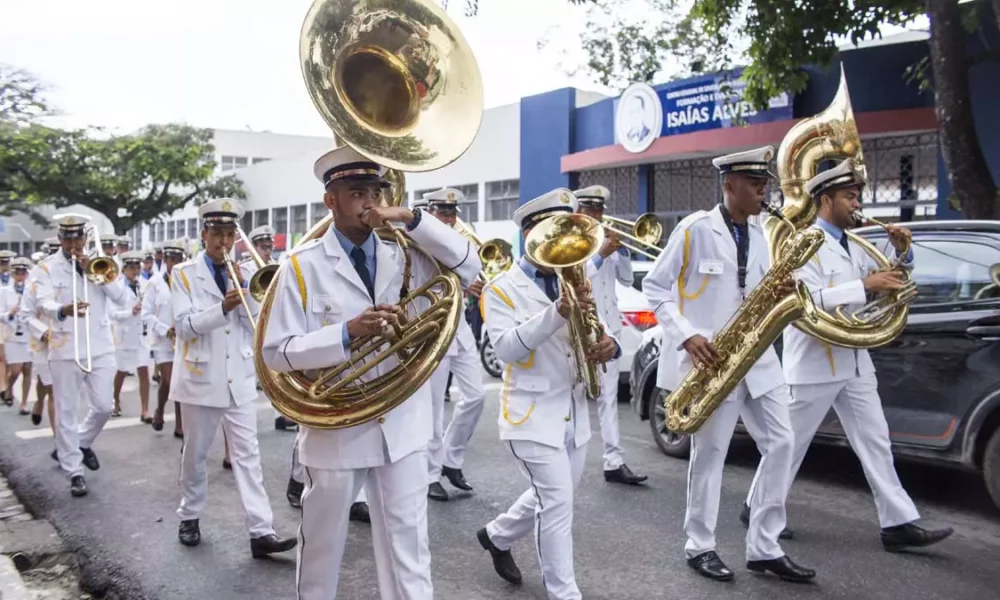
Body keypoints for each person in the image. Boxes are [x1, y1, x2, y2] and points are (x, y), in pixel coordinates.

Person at [261, 145, 481, 600]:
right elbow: (276, 353)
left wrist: (413, 218)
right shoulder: (300, 268)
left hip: (402, 426)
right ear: (331, 201)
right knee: (322, 546)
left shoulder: (407, 254)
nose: (369, 203)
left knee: (410, 549)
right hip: (336, 431)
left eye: (376, 193)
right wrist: (346, 333)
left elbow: (468, 266)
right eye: (357, 193)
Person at [741, 158, 954, 552]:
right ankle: (756, 505)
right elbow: (804, 300)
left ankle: (898, 523)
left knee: (876, 442)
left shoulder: (854, 242)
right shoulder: (803, 244)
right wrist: (863, 285)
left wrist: (903, 255)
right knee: (789, 444)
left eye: (858, 197)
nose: (857, 204)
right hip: (814, 362)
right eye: (850, 197)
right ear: (826, 201)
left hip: (855, 360)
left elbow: (891, 278)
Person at [642, 147, 815, 583]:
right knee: (711, 455)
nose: (763, 190)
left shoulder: (762, 233)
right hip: (711, 362)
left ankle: (764, 547)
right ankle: (699, 545)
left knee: (782, 443)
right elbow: (655, 287)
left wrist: (780, 290)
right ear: (729, 185)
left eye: (765, 184)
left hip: (755, 361)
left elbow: (753, 292)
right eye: (755, 184)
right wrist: (686, 333)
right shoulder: (694, 229)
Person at [477, 188, 620, 599]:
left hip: (573, 413)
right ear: (531, 236)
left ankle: (496, 535)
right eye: (555, 235)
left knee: (555, 493)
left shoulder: (579, 273)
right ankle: (565, 593)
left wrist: (610, 344)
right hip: (530, 414)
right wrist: (556, 312)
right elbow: (506, 349)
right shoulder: (500, 288)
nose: (565, 246)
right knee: (556, 504)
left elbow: (599, 324)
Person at [169, 199, 296, 557]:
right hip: (200, 377)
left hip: (237, 378)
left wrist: (246, 292)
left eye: (229, 235)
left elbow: (256, 320)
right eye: (217, 234)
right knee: (195, 454)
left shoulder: (242, 271)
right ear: (204, 234)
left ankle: (261, 530)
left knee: (248, 456)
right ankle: (190, 515)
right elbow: (184, 326)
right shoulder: (182, 274)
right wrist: (222, 306)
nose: (224, 242)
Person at [35, 213, 127, 497]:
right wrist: (63, 310)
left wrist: (98, 274)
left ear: (85, 238)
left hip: (100, 347)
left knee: (103, 406)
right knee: (66, 411)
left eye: (78, 237)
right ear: (61, 239)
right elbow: (43, 301)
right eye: (69, 237)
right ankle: (74, 470)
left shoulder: (101, 263)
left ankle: (82, 442)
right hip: (65, 348)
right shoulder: (47, 268)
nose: (74, 242)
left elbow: (121, 297)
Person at [575, 185, 648, 486]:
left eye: (600, 210)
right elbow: (579, 278)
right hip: (581, 329)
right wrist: (601, 255)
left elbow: (627, 280)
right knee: (575, 394)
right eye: (591, 209)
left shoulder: (607, 240)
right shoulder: (573, 242)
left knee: (608, 399)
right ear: (579, 212)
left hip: (610, 328)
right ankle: (568, 455)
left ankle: (614, 461)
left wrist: (624, 252)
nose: (597, 215)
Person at [421, 187, 487, 502]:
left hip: (459, 326)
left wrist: (475, 281)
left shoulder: (461, 240)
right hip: (433, 328)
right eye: (444, 213)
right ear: (431, 213)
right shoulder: (419, 241)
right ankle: (431, 474)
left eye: (452, 213)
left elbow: (473, 268)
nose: (450, 219)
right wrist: (463, 281)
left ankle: (450, 459)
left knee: (475, 397)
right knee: (434, 408)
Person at [142, 241, 185, 436]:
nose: (174, 263)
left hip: (183, 338)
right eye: (171, 259)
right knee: (168, 381)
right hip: (162, 340)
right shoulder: (155, 283)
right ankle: (159, 409)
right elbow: (146, 314)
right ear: (165, 259)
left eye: (178, 259)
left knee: (179, 382)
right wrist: (164, 329)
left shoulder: (186, 281)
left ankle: (180, 422)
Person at [110, 251, 150, 420]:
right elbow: (112, 313)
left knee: (143, 370)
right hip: (124, 336)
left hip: (141, 334)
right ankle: (116, 400)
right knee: (121, 371)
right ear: (124, 269)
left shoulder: (146, 285)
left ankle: (145, 409)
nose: (135, 271)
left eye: (137, 267)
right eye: (131, 267)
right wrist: (129, 312)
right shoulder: (117, 287)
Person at [1, 258, 34, 414]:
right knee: (14, 370)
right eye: (17, 273)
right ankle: (8, 388)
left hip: (28, 334)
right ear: (13, 274)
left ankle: (24, 403)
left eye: (23, 273)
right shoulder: (4, 291)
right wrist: (10, 313)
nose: (20, 276)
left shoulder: (31, 290)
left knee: (27, 369)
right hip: (13, 335)